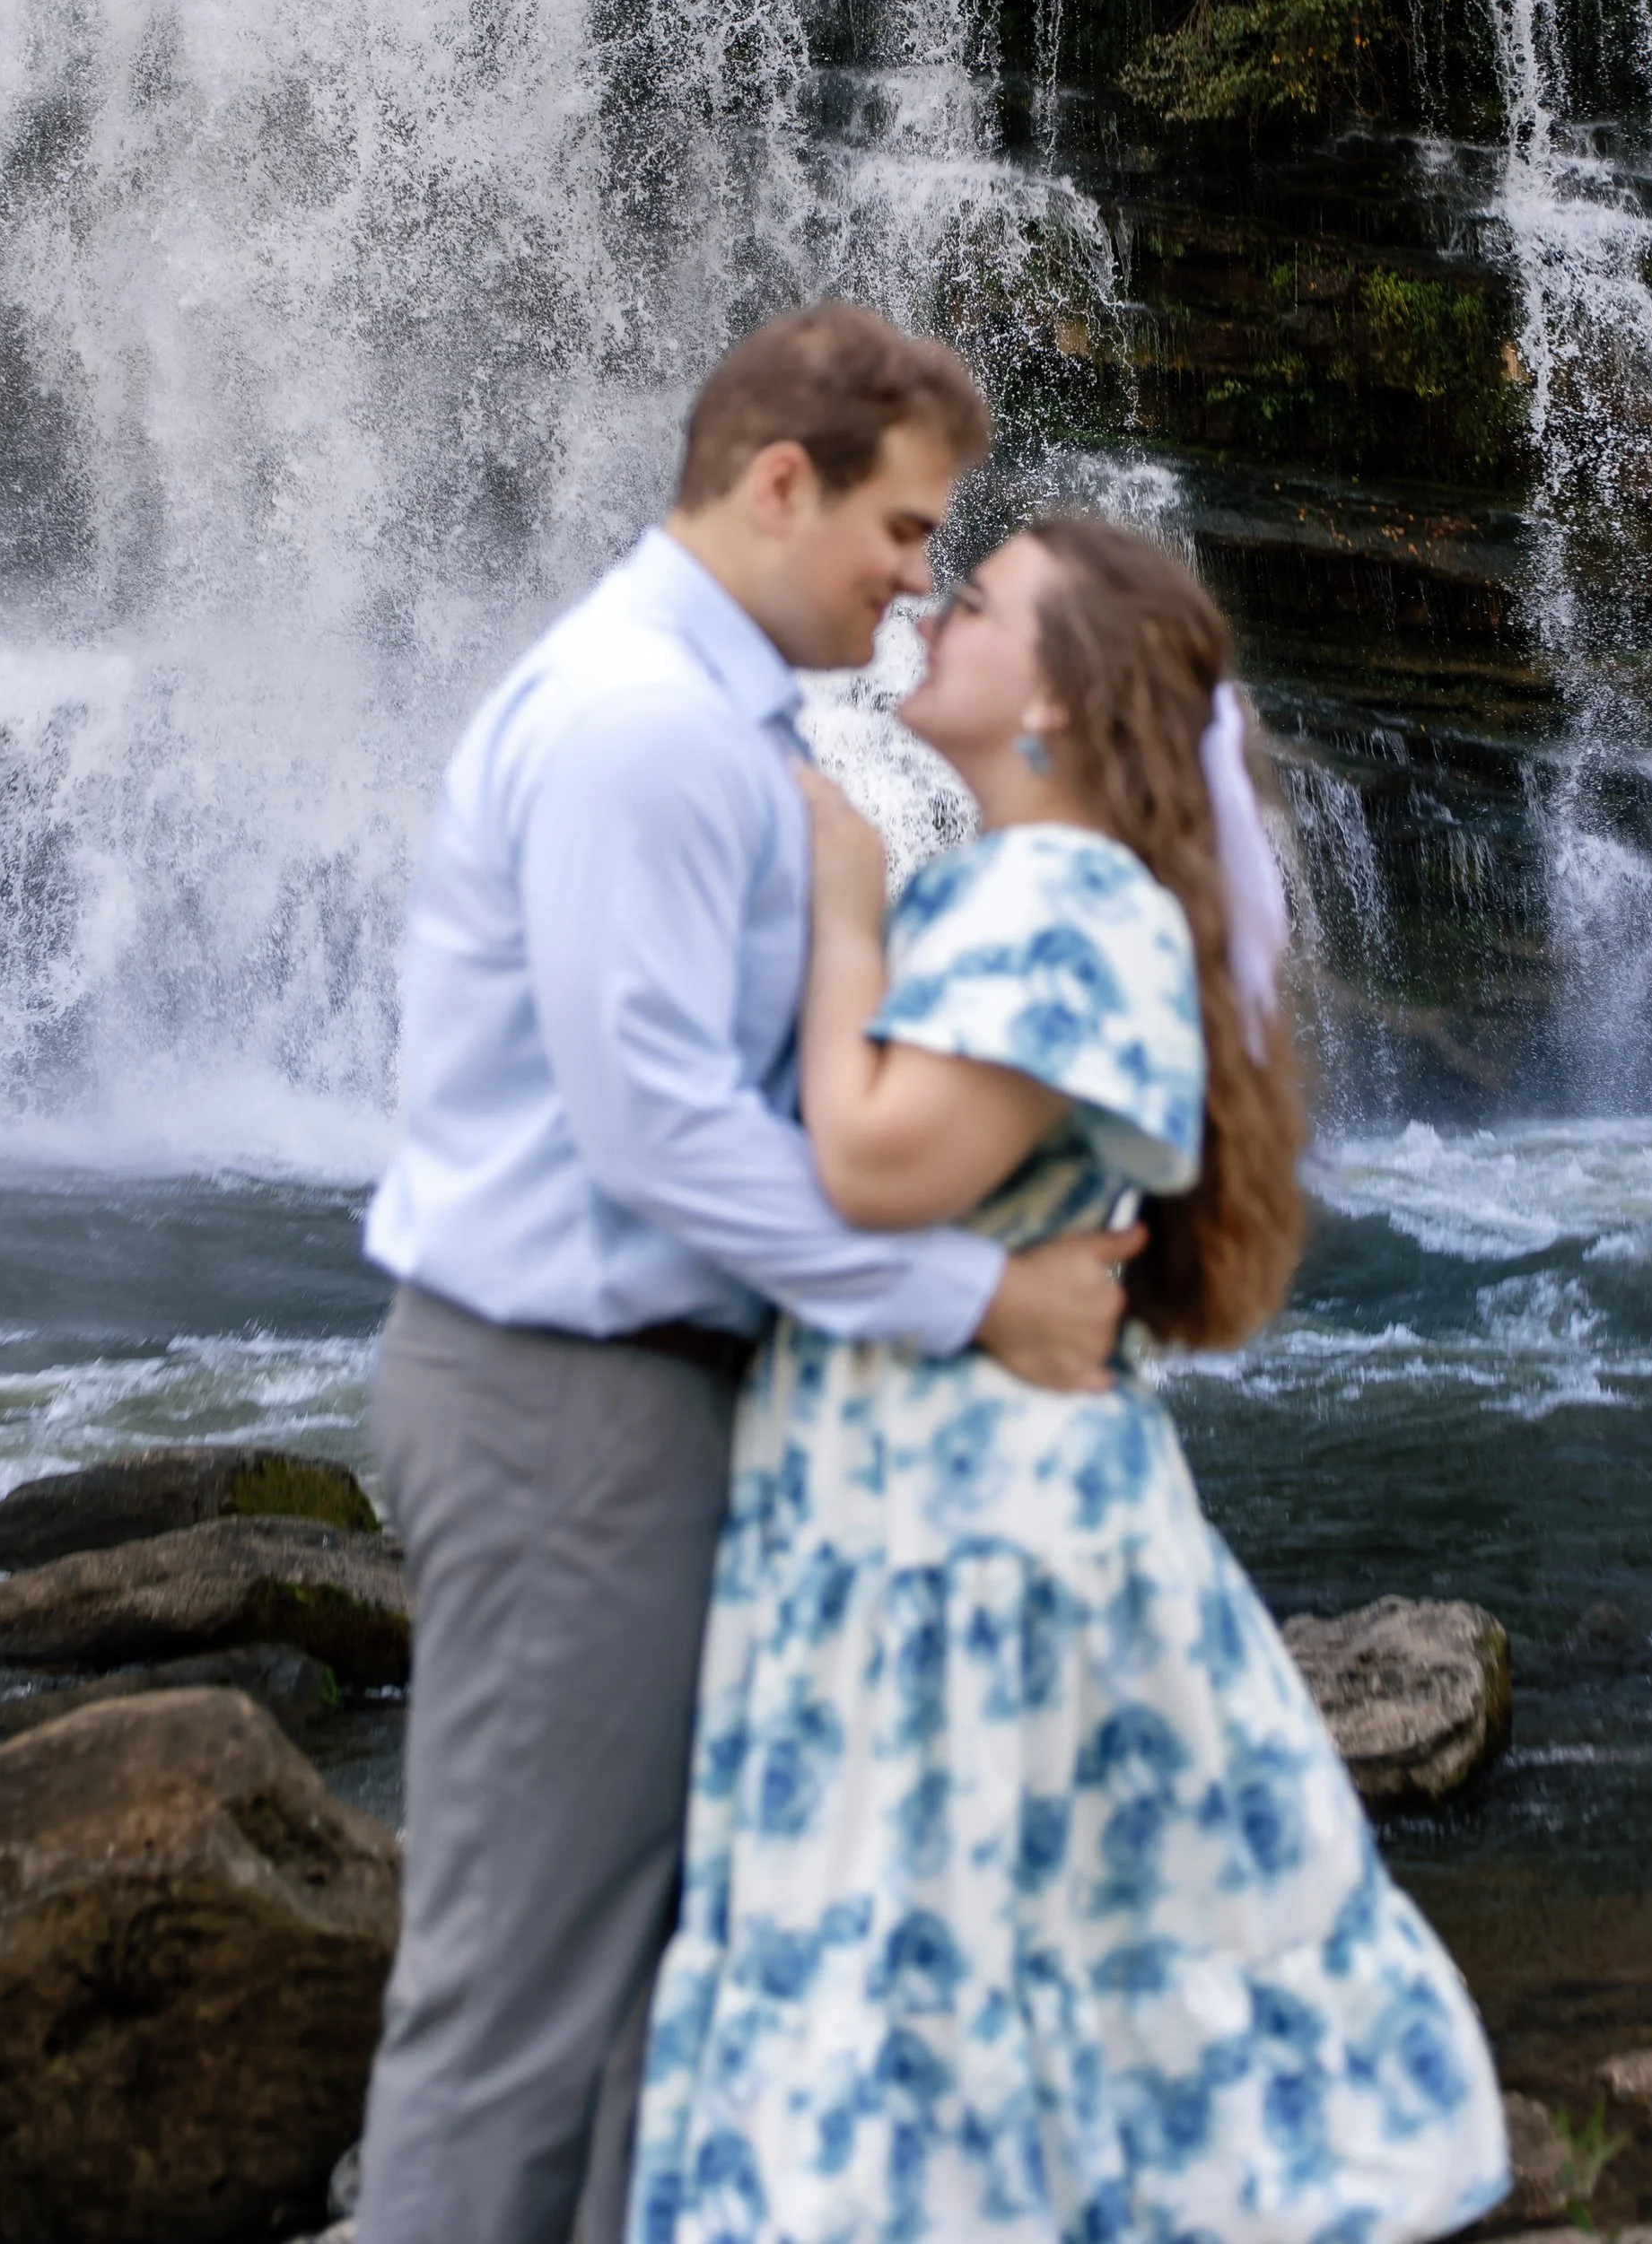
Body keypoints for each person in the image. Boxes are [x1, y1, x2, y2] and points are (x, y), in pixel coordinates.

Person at [354, 307, 1144, 2244]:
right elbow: (658, 1140)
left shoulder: (720, 720)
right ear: (777, 483)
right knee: (514, 2014)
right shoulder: (640, 726)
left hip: (625, 1404)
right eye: (898, 529)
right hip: (565, 1408)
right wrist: (976, 1300)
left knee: (637, 1999)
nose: (916, 580)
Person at [629, 514, 1510, 2244]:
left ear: (1061, 699)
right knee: (991, 1966)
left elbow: (873, 1162)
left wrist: (838, 910)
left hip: (969, 1530)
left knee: (940, 1954)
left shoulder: (1073, 899)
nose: (934, 610)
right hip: (914, 1500)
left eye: (981, 604)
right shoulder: (999, 885)